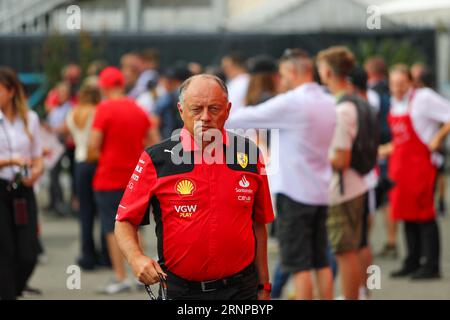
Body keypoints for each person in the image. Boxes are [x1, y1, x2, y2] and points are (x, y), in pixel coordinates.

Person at [115, 74, 274, 300]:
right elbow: (124, 220)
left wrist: (263, 286)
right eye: (196, 109)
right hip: (181, 291)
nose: (205, 117)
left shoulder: (248, 154)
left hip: (241, 291)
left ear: (228, 111)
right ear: (181, 111)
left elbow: (259, 224)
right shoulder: (157, 158)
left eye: (214, 109)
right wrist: (135, 258)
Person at [227, 48, 336, 300]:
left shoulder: (293, 101)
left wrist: (215, 113)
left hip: (294, 192)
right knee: (320, 261)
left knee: (299, 264)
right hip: (321, 190)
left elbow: (244, 117)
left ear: (292, 71)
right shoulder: (327, 100)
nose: (281, 79)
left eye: (283, 73)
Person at [382, 64, 450, 279]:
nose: (398, 88)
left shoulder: (424, 98)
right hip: (401, 167)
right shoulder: (395, 102)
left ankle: (431, 265)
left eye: (401, 84)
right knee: (406, 215)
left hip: (421, 165)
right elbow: (398, 140)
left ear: (411, 82)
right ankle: (412, 260)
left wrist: (437, 138)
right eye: (393, 84)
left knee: (425, 215)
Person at [89, 67, 153, 294]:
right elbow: (152, 142)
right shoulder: (138, 109)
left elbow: (94, 145)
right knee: (136, 227)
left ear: (105, 87)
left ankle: (120, 276)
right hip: (136, 178)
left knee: (111, 227)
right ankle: (142, 273)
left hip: (108, 177)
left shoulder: (104, 109)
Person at [317, 46, 372, 300]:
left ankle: (352, 296)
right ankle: (361, 294)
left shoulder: (341, 109)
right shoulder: (360, 100)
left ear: (327, 71)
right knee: (357, 245)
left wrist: (316, 154)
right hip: (359, 183)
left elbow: (340, 158)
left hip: (342, 188)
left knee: (343, 251)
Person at [0, 67, 44, 299]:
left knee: (28, 253)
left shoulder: (30, 118)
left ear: (10, 90)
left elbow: (38, 155)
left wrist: (36, 171)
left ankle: (12, 290)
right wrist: (9, 161)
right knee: (5, 250)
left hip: (24, 189)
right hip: (1, 187)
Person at [66, 84, 108, 270]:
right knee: (103, 209)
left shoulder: (73, 113)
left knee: (85, 212)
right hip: (97, 161)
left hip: (80, 162)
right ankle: (106, 254)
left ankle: (87, 253)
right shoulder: (99, 111)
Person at [364, 56, 397, 259]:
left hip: (376, 148)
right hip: (392, 146)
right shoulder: (392, 92)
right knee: (389, 196)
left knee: (371, 196)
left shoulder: (369, 94)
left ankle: (363, 242)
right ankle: (392, 241)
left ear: (370, 73)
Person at [154, 64, 192, 139]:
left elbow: (155, 119)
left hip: (169, 138)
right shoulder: (195, 95)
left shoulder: (168, 97)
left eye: (171, 81)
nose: (167, 84)